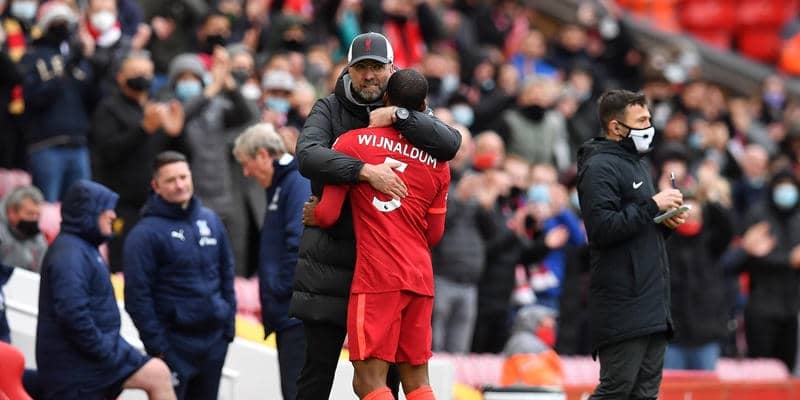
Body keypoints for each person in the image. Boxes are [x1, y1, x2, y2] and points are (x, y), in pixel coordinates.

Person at [290, 31, 461, 400]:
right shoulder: (329, 108)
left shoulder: (410, 119)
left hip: (379, 267)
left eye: (377, 68)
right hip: (334, 266)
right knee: (319, 372)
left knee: (380, 381)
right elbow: (306, 155)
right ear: (348, 70)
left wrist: (399, 115)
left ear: (392, 70)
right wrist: (363, 172)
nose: (369, 75)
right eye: (361, 67)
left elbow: (451, 143)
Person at [576, 90, 685, 399]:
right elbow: (602, 229)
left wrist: (664, 223)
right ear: (616, 127)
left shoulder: (638, 164)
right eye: (641, 120)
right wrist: (653, 205)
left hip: (652, 301)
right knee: (616, 389)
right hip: (623, 301)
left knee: (645, 393)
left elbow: (636, 229)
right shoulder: (600, 166)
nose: (649, 126)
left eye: (649, 118)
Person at [35, 180, 175, 400]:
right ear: (88, 213)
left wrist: (111, 349)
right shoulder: (70, 254)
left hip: (96, 354)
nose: (112, 215)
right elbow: (73, 315)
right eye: (105, 208)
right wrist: (105, 351)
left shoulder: (84, 247)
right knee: (158, 374)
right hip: (77, 365)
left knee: (159, 373)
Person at [123, 151, 236, 400]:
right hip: (174, 345)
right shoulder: (144, 234)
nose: (180, 185)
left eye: (184, 177)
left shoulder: (210, 220)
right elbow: (137, 296)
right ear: (156, 186)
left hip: (214, 341)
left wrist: (228, 326)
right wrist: (158, 346)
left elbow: (227, 272)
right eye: (171, 180)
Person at [232, 123, 310, 400]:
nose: (246, 172)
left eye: (246, 163)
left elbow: (298, 241)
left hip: (295, 313)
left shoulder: (295, 181)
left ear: (263, 155)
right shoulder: (282, 184)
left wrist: (279, 288)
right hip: (287, 311)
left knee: (296, 392)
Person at [90, 50, 185, 272]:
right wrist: (142, 130)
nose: (142, 78)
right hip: (121, 205)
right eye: (135, 73)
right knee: (125, 266)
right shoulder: (108, 108)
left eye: (146, 73)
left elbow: (173, 156)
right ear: (121, 77)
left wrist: (176, 134)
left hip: (155, 204)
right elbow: (108, 151)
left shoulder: (156, 109)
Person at [0, 185, 48, 344]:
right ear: (12, 212)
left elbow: (40, 274)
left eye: (37, 215)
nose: (34, 219)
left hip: (22, 298)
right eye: (29, 214)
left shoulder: (39, 240)